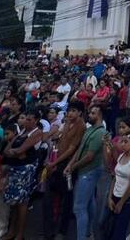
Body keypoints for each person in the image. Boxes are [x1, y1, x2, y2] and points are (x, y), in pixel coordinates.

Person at [42, 100, 86, 240]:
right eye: (69, 110)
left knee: (67, 199)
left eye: (74, 111)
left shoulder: (81, 126)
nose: (70, 113)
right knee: (50, 197)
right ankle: (49, 229)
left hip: (67, 165)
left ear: (79, 112)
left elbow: (72, 149)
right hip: (57, 161)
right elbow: (60, 141)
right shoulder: (67, 122)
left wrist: (55, 161)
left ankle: (62, 230)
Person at [67, 105, 107, 240]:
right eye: (89, 112)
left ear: (100, 115)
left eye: (93, 113)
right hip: (84, 171)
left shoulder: (100, 133)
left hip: (89, 173)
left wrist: (73, 167)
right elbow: (80, 150)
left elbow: (89, 156)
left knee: (79, 208)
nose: (89, 115)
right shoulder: (90, 129)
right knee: (89, 203)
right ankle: (89, 233)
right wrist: (70, 164)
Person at [2, 109, 43, 240]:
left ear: (36, 121)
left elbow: (21, 150)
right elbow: (7, 150)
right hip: (15, 168)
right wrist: (17, 152)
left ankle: (19, 234)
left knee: (22, 203)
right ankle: (11, 231)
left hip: (26, 171)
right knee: (14, 203)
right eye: (26, 119)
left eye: (30, 119)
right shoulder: (22, 132)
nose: (26, 121)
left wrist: (17, 152)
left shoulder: (37, 133)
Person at [103, 132, 130, 240]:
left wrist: (121, 202)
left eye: (126, 142)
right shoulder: (121, 156)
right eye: (122, 141)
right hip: (115, 195)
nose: (122, 144)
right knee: (109, 229)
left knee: (119, 231)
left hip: (127, 199)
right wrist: (110, 197)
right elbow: (115, 177)